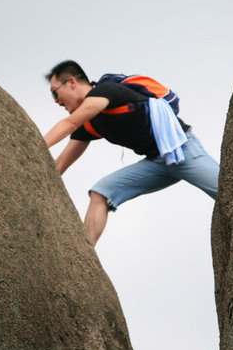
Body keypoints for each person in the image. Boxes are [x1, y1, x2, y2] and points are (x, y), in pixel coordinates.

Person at [43, 60, 219, 247]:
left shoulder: (106, 91)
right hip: (156, 164)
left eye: (55, 92)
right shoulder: (89, 124)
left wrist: (34, 144)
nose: (55, 100)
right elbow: (60, 165)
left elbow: (69, 123)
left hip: (183, 151)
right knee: (101, 193)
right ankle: (84, 254)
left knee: (229, 194)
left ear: (72, 82)